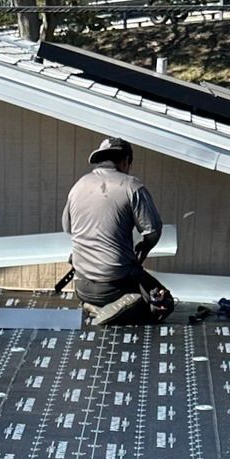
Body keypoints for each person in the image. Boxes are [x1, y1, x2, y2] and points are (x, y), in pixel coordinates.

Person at [61, 137, 172, 326]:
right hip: (115, 287)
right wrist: (142, 251)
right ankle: (122, 307)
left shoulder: (78, 185)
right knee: (163, 303)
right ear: (126, 161)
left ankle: (94, 306)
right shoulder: (131, 186)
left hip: (81, 285)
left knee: (133, 281)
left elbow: (67, 228)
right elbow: (153, 230)